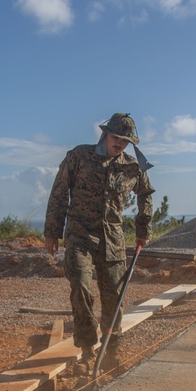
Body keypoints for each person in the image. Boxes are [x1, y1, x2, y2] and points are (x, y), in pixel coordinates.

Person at [44, 113, 155, 374]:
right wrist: (52, 230)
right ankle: (86, 350)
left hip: (113, 239)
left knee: (114, 298)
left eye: (126, 141)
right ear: (106, 134)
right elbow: (59, 192)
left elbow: (146, 195)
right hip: (79, 235)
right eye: (117, 138)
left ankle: (111, 351)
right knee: (81, 286)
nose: (120, 144)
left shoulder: (132, 166)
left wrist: (143, 228)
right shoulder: (79, 156)